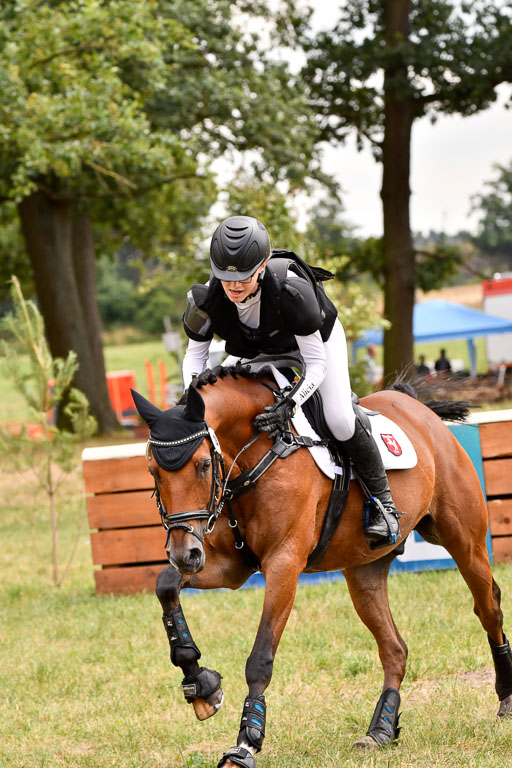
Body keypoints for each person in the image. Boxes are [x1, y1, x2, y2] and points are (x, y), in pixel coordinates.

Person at [182, 215, 402, 545]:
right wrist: (194, 407)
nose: (235, 287)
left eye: (244, 276)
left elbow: (314, 364)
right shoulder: (205, 299)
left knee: (339, 419)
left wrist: (291, 402)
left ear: (263, 264)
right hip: (257, 349)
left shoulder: (290, 290)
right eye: (226, 279)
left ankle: (384, 505)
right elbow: (194, 359)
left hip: (314, 346)